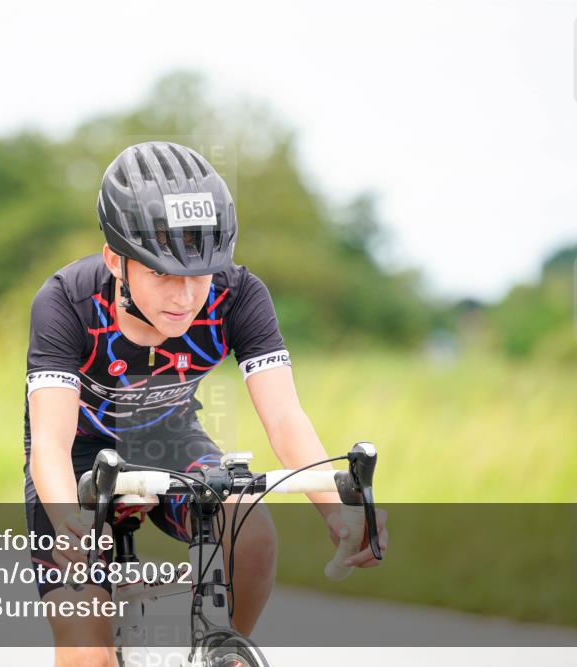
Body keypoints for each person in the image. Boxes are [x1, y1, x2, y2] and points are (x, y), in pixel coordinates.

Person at [23, 141, 388, 666]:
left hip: (169, 436)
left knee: (252, 529)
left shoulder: (239, 296)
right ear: (116, 260)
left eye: (200, 274)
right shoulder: (65, 302)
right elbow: (51, 444)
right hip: (78, 456)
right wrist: (68, 523)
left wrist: (337, 510)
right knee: (88, 657)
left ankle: (219, 653)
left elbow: (285, 418)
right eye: (162, 273)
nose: (185, 297)